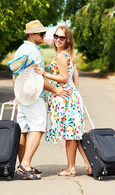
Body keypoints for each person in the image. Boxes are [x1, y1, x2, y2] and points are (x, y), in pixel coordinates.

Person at [12, 20, 69, 180]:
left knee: (23, 129)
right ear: (32, 35)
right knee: (38, 127)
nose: (45, 36)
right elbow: (37, 77)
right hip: (34, 95)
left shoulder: (20, 50)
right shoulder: (34, 53)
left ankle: (22, 164)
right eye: (41, 33)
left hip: (23, 95)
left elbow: (14, 72)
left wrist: (17, 93)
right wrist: (55, 89)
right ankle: (25, 165)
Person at [35, 25, 92, 176]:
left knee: (71, 134)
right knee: (73, 133)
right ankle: (87, 164)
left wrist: (45, 74)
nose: (57, 40)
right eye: (56, 36)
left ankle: (71, 168)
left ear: (67, 40)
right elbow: (76, 75)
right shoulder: (67, 55)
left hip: (66, 97)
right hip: (71, 97)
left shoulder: (61, 56)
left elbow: (65, 78)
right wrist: (76, 95)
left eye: (62, 37)